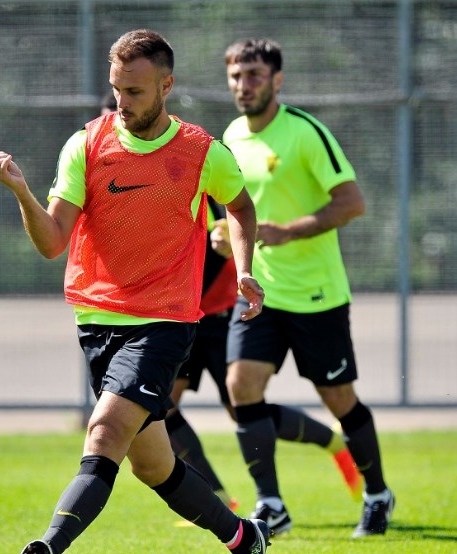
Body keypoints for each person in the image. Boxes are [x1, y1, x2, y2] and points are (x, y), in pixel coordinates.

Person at [0, 29, 271, 554]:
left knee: (104, 434)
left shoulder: (200, 151)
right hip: (97, 323)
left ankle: (46, 549)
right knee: (155, 467)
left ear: (166, 86)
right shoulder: (86, 146)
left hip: (165, 323)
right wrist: (22, 193)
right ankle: (244, 540)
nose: (122, 101)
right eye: (117, 89)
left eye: (135, 91)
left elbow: (241, 206)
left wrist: (244, 267)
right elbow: (52, 242)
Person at [98, 92, 362, 515]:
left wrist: (193, 285)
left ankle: (332, 443)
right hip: (173, 316)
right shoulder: (114, 172)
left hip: (214, 315)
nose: (119, 128)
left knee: (244, 409)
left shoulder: (181, 164)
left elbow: (222, 238)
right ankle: (219, 498)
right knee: (157, 407)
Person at [220, 38, 394, 538]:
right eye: (236, 76)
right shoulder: (231, 136)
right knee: (240, 386)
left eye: (254, 75)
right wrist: (225, 238)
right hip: (260, 292)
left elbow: (352, 202)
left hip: (317, 295)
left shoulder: (305, 132)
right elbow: (236, 210)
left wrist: (289, 231)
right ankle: (271, 504)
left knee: (338, 397)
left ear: (277, 80)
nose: (244, 85)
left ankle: (377, 493)